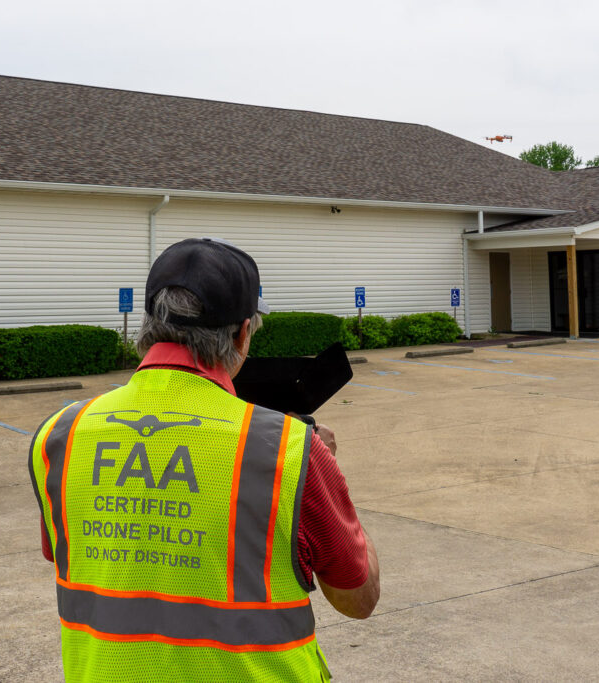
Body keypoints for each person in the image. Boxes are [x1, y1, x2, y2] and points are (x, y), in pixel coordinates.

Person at [29, 237, 379, 682]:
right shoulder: (290, 451)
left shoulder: (60, 434)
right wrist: (328, 475)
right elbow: (358, 599)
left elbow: (70, 555)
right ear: (242, 333)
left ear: (147, 325)